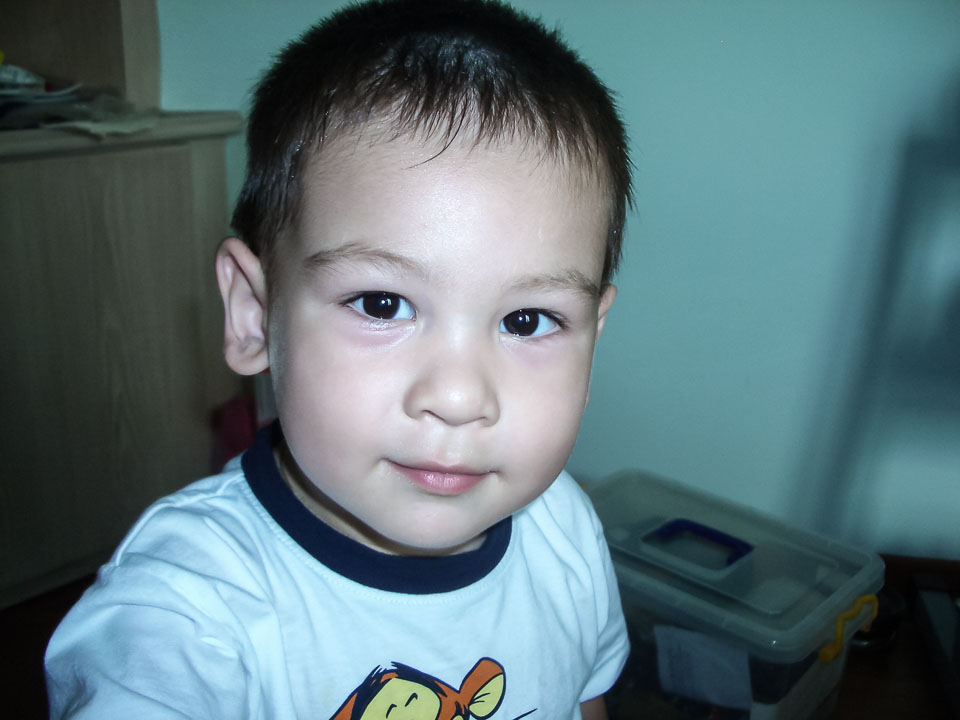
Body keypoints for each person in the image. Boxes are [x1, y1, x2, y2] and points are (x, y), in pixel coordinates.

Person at [45, 1, 633, 717]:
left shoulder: (563, 530)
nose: (457, 397)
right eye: (382, 304)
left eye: (527, 320)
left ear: (592, 341)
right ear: (254, 313)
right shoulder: (181, 617)